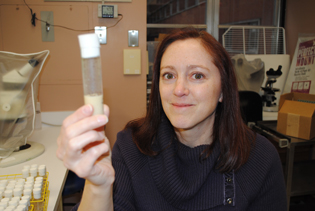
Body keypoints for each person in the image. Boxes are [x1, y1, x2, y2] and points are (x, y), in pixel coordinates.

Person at [56, 27, 287, 211]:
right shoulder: (131, 148)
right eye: (169, 75)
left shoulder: (260, 158)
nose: (179, 89)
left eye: (197, 75)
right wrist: (98, 186)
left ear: (223, 90)